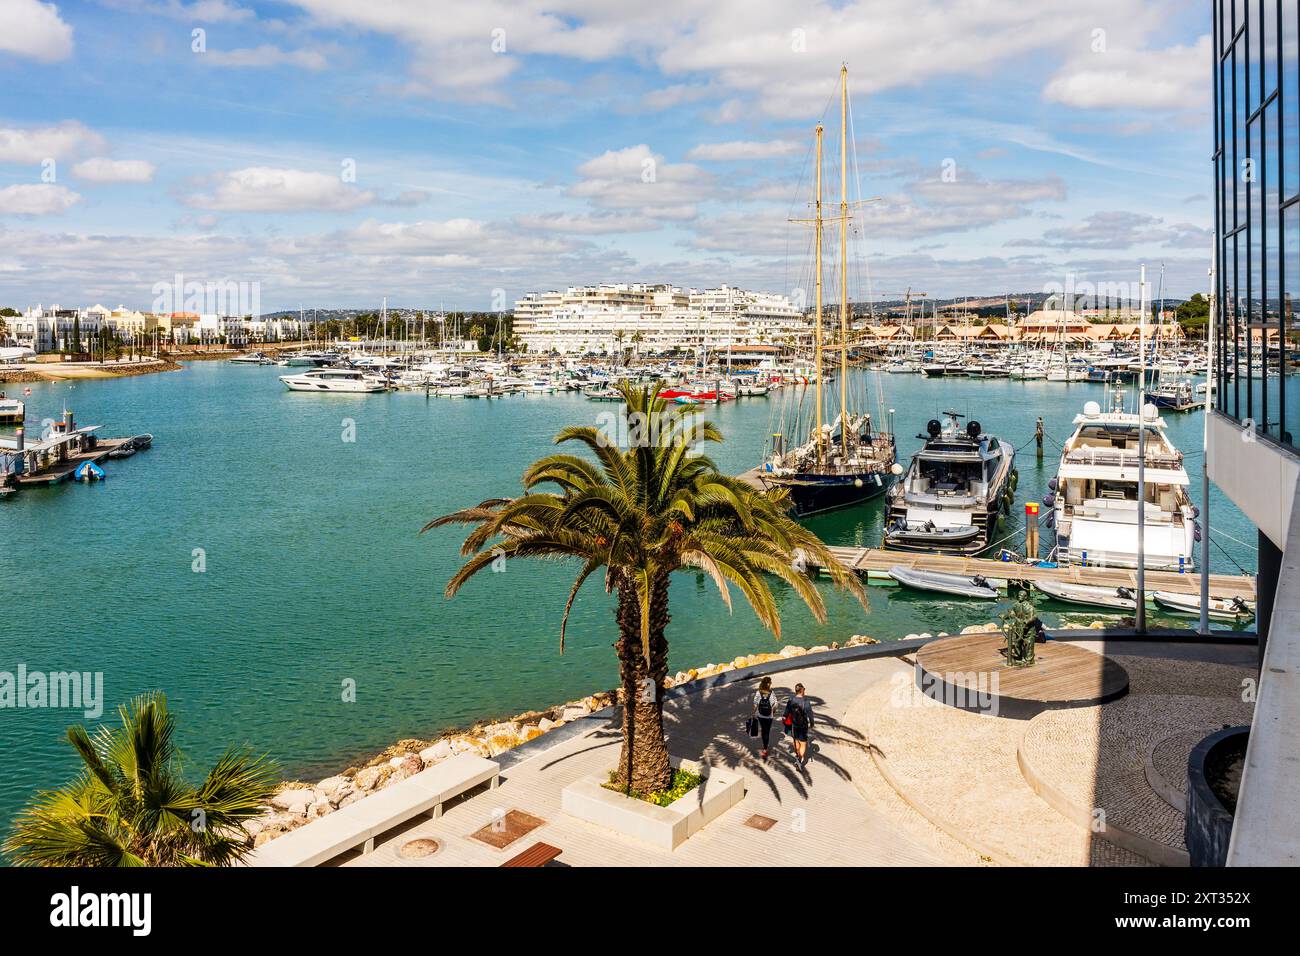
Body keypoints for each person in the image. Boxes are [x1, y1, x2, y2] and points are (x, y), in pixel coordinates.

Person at [783, 683, 814, 764]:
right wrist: (812, 723)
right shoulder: (806, 702)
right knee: (803, 744)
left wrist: (784, 717)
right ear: (801, 690)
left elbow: (787, 711)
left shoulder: (791, 700)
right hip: (803, 726)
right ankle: (799, 760)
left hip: (794, 725)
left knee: (796, 741)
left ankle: (797, 754)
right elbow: (810, 714)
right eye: (804, 689)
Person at [751, 676, 778, 760]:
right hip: (769, 716)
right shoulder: (771, 693)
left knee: (763, 730)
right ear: (769, 684)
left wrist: (753, 713)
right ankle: (765, 748)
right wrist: (773, 712)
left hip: (761, 715)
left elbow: (755, 704)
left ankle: (764, 747)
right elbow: (775, 704)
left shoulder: (758, 692)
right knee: (767, 731)